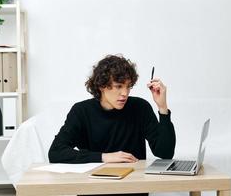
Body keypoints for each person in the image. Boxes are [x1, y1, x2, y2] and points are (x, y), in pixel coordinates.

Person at [48, 54, 176, 196]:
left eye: (128, 87)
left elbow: (165, 153)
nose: (125, 93)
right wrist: (103, 157)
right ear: (102, 86)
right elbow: (56, 152)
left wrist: (163, 108)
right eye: (118, 86)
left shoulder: (140, 107)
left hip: (133, 189)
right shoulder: (81, 111)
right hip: (95, 190)